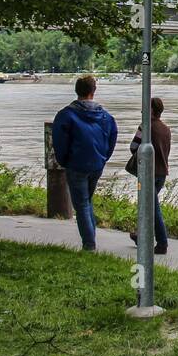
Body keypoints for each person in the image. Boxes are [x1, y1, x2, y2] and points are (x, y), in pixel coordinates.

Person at [51, 74, 118, 251]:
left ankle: (89, 245)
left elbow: (58, 141)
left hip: (76, 165)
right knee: (86, 201)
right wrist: (103, 158)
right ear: (93, 92)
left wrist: (64, 160)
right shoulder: (105, 116)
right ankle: (90, 239)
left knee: (81, 205)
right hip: (97, 165)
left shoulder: (66, 115)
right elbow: (112, 137)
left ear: (76, 91)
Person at [128, 96, 172, 254]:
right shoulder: (166, 129)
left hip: (148, 173)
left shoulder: (145, 127)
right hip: (162, 173)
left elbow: (134, 147)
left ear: (151, 110)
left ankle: (162, 243)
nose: (141, 111)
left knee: (152, 208)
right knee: (147, 206)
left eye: (145, 108)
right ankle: (141, 236)